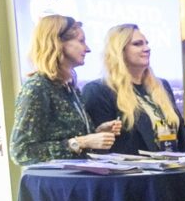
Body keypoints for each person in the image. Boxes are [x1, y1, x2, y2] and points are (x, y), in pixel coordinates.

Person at [10, 15, 120, 165]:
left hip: (77, 181)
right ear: (57, 43)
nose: (87, 49)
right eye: (81, 41)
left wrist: (97, 134)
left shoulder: (70, 87)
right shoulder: (38, 87)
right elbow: (21, 151)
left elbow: (72, 140)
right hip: (56, 186)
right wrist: (81, 142)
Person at [82, 24, 185, 155]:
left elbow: (173, 130)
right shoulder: (99, 91)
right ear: (120, 51)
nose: (147, 48)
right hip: (134, 173)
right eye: (138, 44)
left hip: (174, 171)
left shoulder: (161, 86)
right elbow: (101, 144)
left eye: (146, 43)